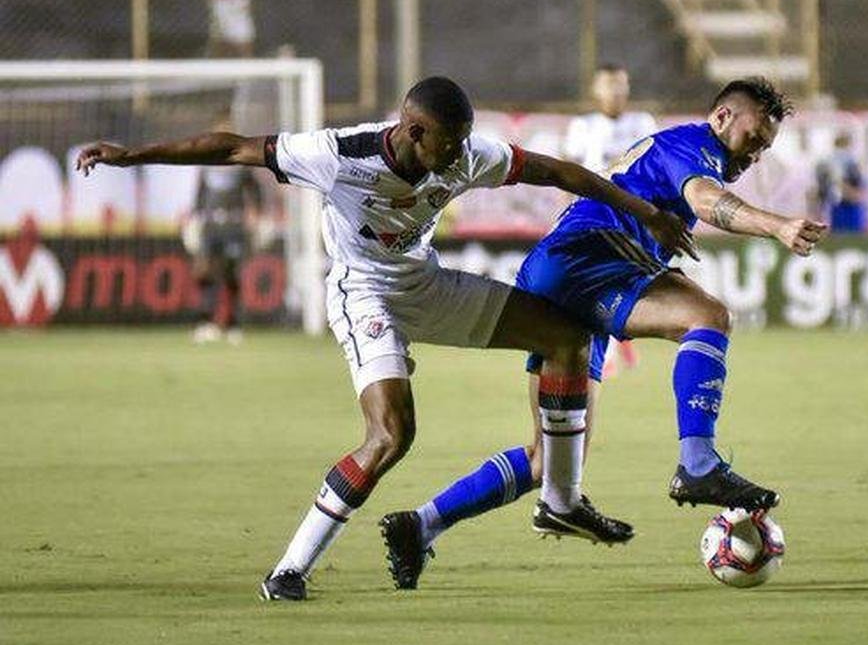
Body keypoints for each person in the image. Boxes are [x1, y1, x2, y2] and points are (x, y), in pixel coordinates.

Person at [75, 76, 694, 602]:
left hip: (424, 285)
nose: (456, 159)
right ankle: (290, 569)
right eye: (446, 145)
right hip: (362, 293)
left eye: (461, 145)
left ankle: (560, 499)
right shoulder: (337, 154)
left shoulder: (467, 153)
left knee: (568, 339)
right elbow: (234, 149)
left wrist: (645, 213)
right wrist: (132, 156)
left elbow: (558, 171)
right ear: (413, 131)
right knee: (393, 434)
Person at [380, 77, 828, 590]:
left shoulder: (687, 149)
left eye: (766, 147)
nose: (756, 153)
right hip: (586, 263)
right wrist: (777, 226)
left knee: (546, 458)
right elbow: (706, 201)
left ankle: (422, 524)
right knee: (707, 316)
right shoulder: (692, 146)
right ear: (724, 117)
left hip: (565, 274)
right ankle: (698, 462)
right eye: (754, 137)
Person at [563, 63, 658, 375]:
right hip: (592, 214)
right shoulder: (583, 126)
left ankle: (613, 346)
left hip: (633, 219)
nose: (615, 91)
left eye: (620, 84)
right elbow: (567, 171)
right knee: (594, 282)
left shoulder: (642, 122)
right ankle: (613, 346)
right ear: (596, 89)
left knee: (619, 281)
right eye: (608, 84)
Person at [186, 163, 262, 344]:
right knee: (206, 273)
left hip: (234, 225)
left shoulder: (241, 167)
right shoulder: (206, 168)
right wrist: (194, 219)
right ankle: (206, 322)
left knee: (231, 274)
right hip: (210, 226)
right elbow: (199, 196)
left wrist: (256, 213)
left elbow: (255, 192)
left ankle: (232, 324)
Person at [815, 130, 867, 232]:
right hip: (844, 203)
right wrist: (852, 194)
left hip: (843, 202)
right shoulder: (840, 160)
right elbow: (838, 181)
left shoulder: (844, 160)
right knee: (847, 234)